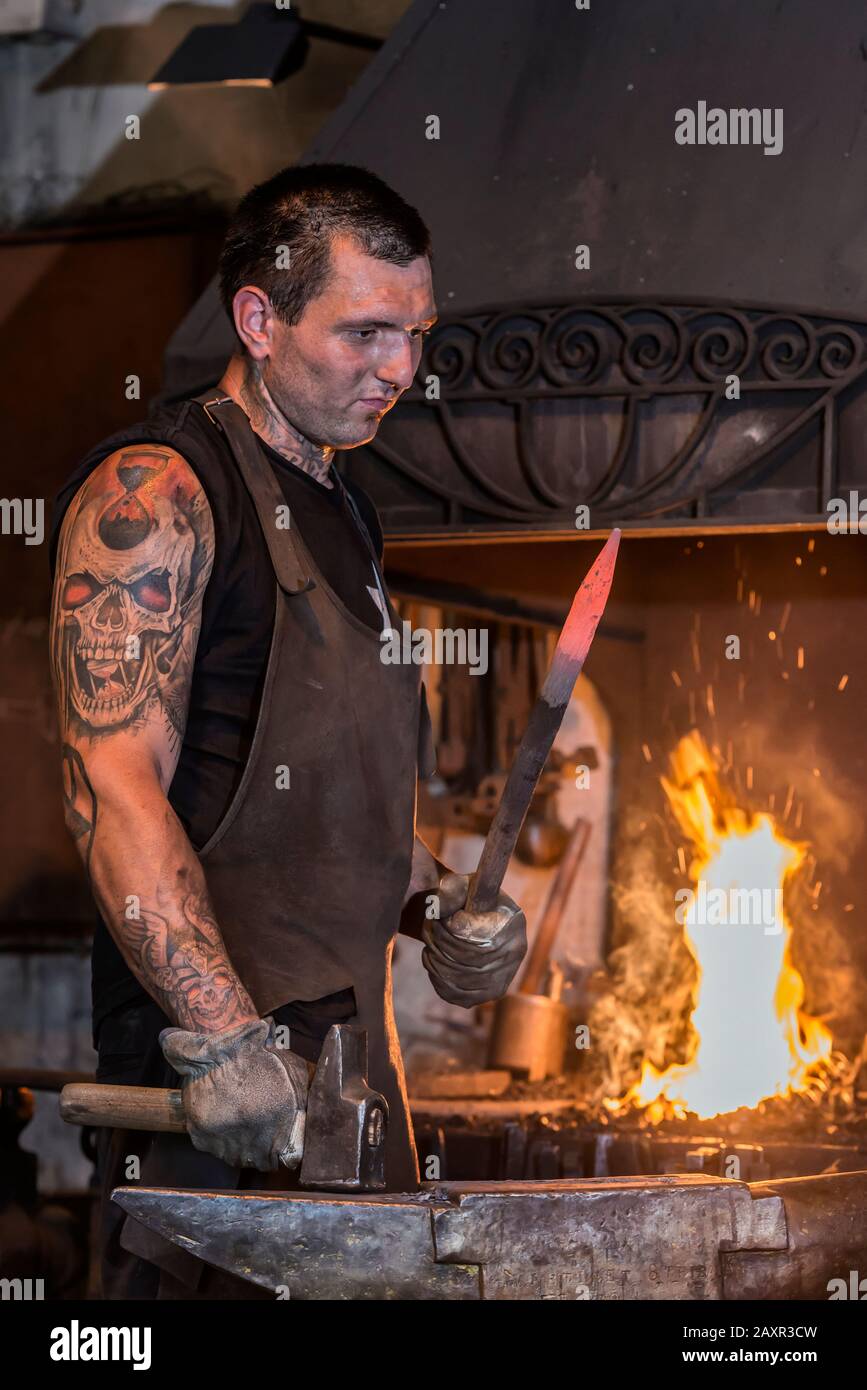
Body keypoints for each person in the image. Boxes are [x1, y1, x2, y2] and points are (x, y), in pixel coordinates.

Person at [48, 163, 527, 1300]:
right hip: (216, 1143)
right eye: (364, 332)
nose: (400, 369)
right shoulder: (159, 489)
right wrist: (223, 1039)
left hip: (356, 1124)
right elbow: (110, 781)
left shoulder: (347, 510)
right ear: (258, 319)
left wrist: (439, 901)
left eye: (414, 332)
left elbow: (310, 808)